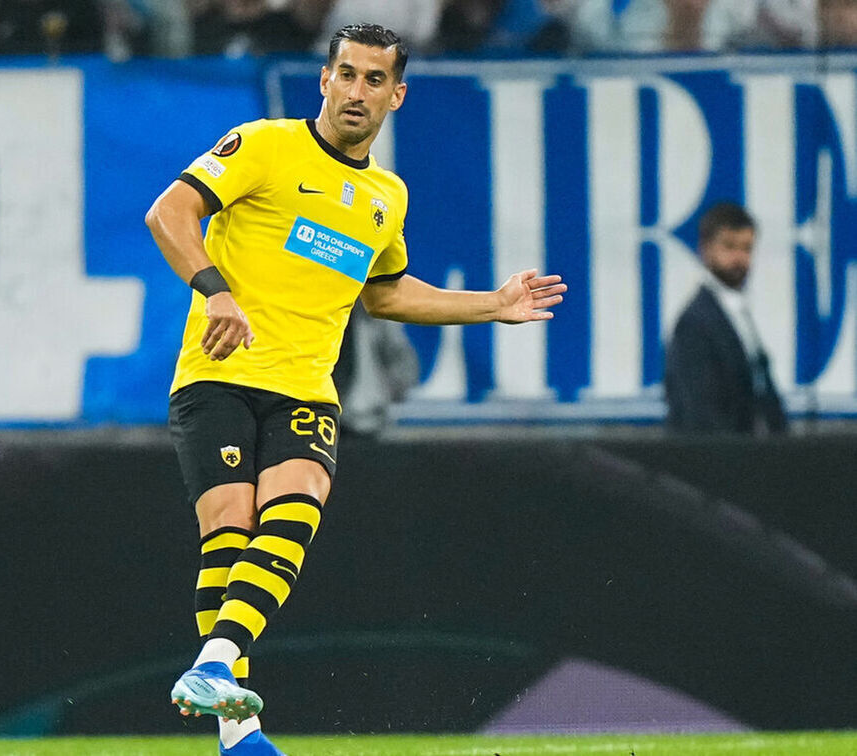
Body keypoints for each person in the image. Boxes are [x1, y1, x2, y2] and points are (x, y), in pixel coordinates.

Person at [144, 23, 566, 756]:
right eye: (347, 74)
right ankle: (238, 733)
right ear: (324, 80)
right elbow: (169, 213)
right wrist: (215, 290)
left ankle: (215, 669)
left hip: (308, 388)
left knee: (295, 511)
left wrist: (492, 305)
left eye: (375, 80)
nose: (357, 91)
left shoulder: (385, 196)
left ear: (396, 96)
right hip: (219, 373)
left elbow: (386, 292)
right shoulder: (265, 145)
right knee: (231, 532)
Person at [665, 202, 788, 435]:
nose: (739, 258)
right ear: (706, 249)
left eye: (746, 248)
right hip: (719, 453)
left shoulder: (738, 313)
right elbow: (700, 411)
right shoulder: (695, 323)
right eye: (729, 247)